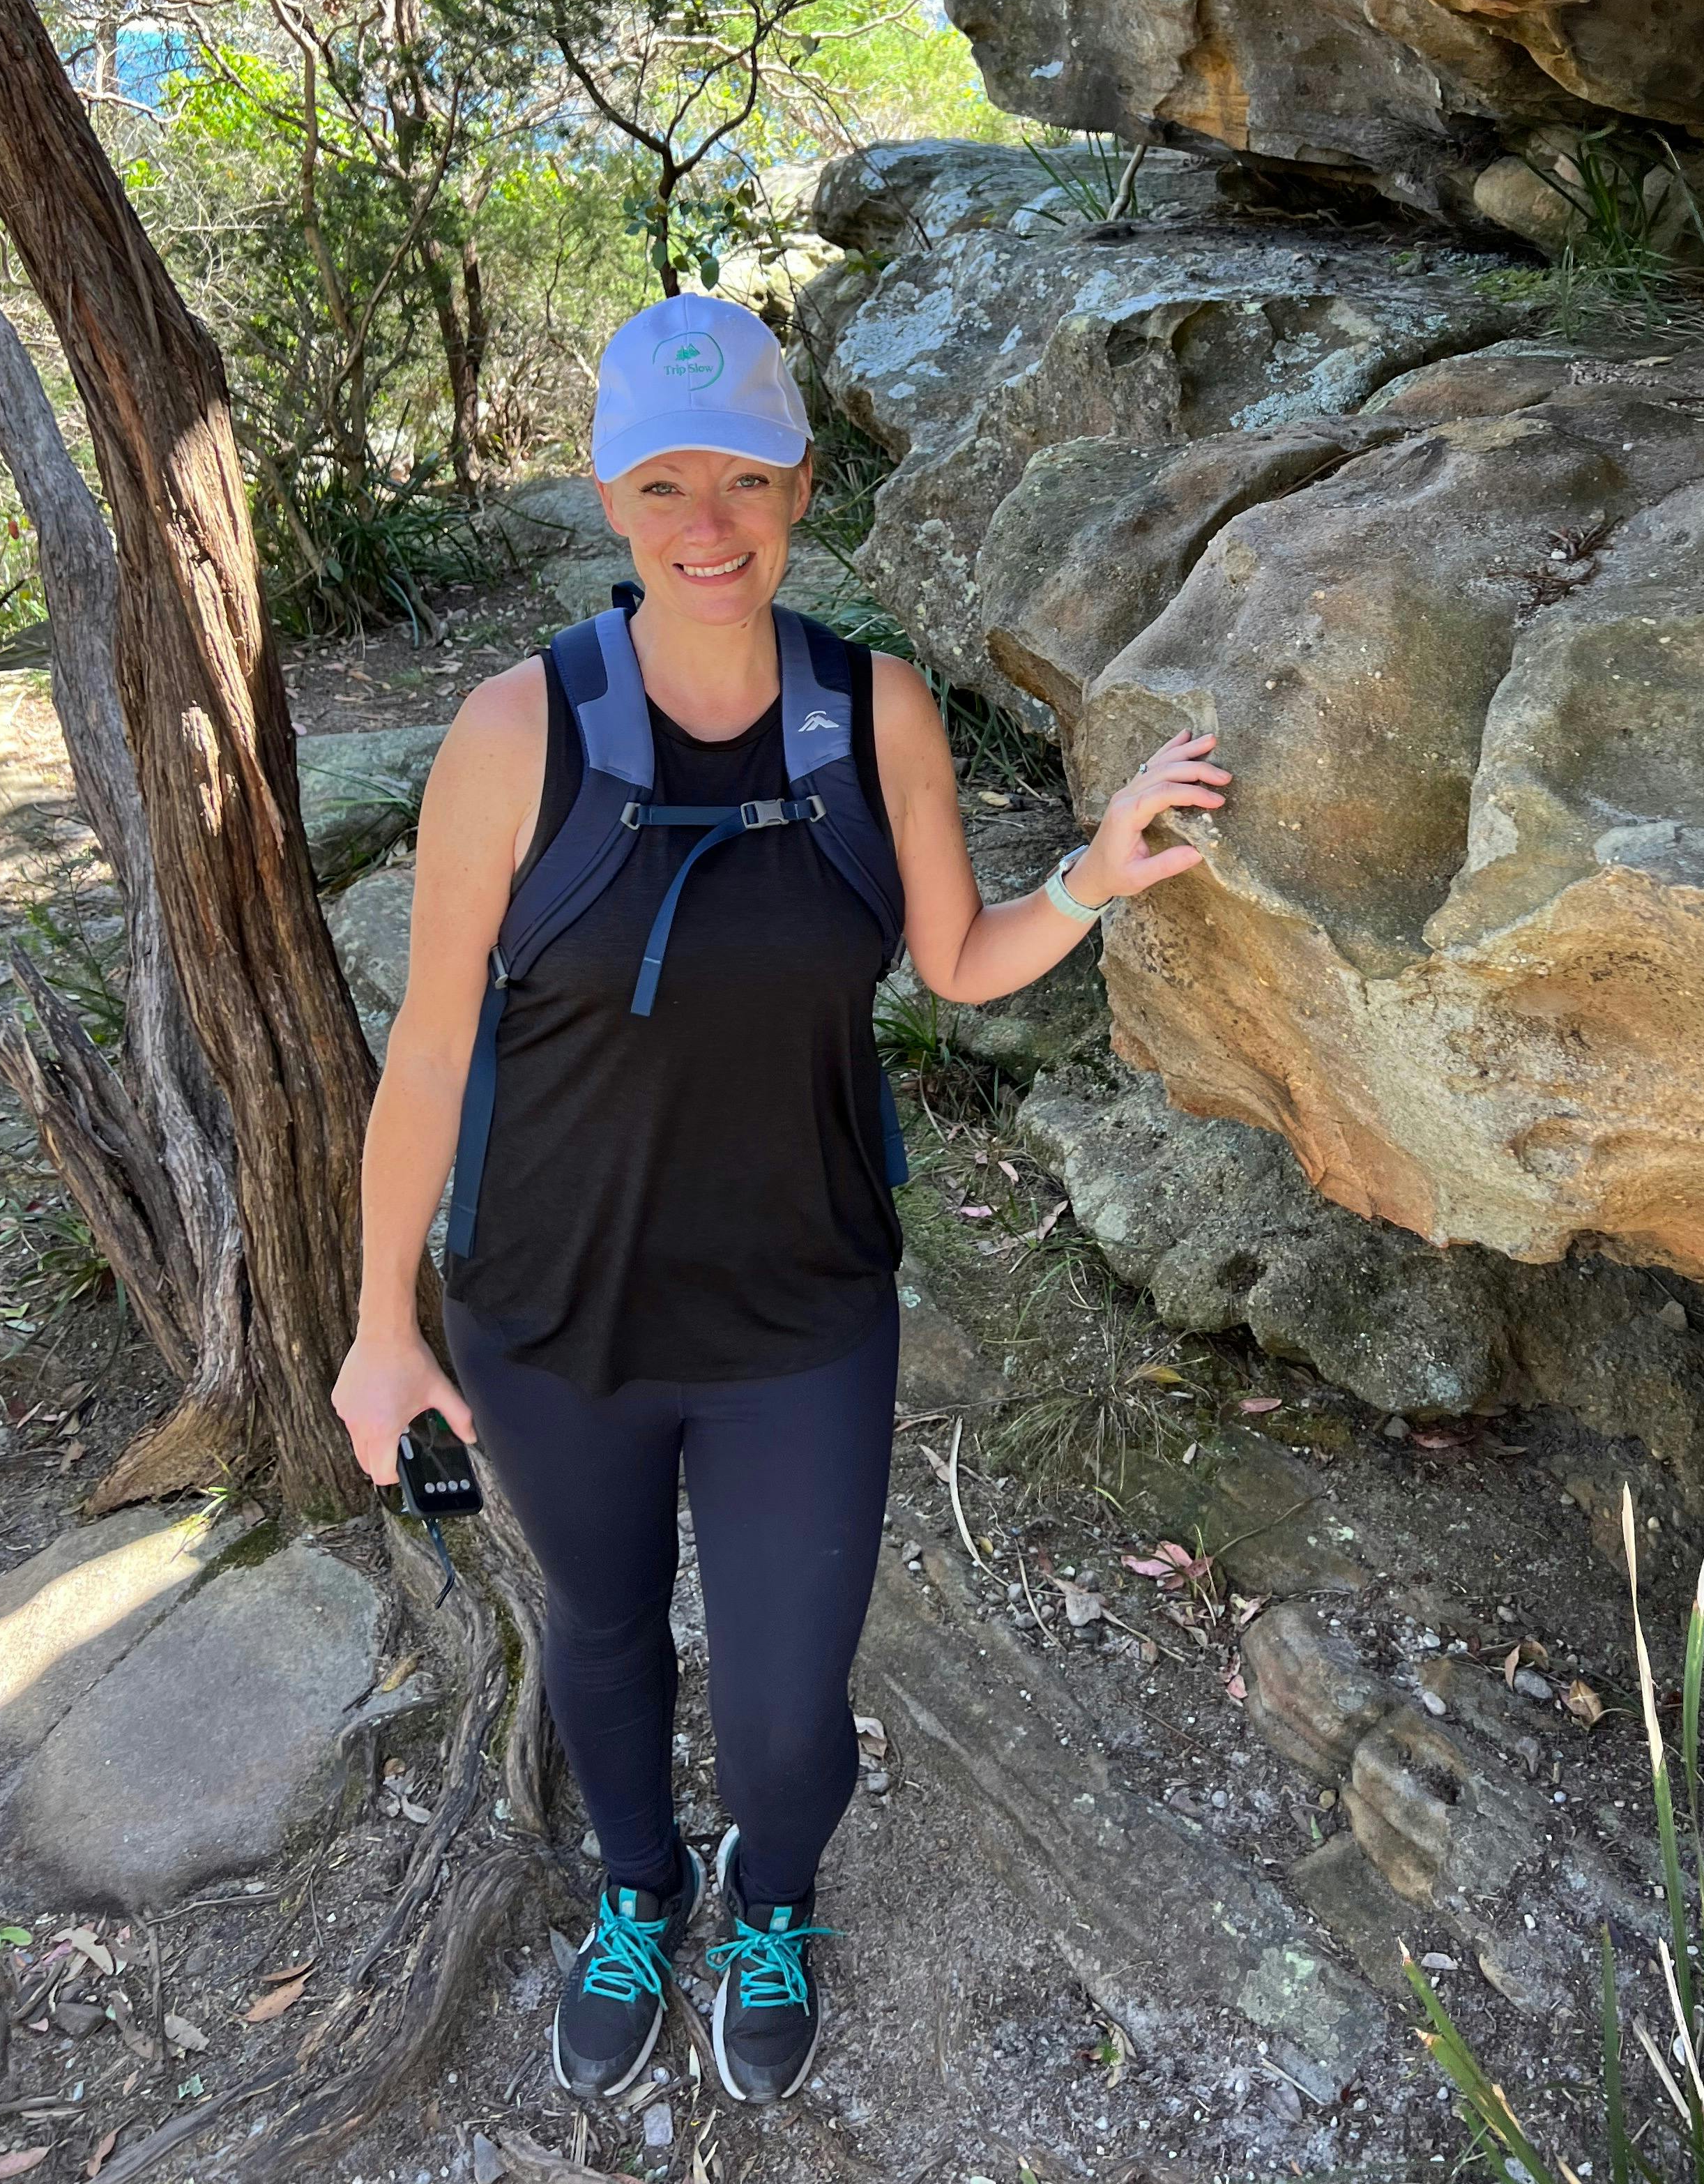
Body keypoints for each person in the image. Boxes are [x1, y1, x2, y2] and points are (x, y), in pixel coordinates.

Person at [331, 292, 1231, 2107]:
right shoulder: (516, 733)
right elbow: (427, 1049)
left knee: (784, 1698)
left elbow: (956, 961)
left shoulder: (867, 712)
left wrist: (1095, 875)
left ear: (802, 483)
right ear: (609, 499)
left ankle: (771, 1899)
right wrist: (379, 1331)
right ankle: (639, 1889)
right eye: (665, 484)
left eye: (744, 477)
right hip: (550, 1308)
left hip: (802, 1312)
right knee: (598, 1635)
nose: (709, 524)